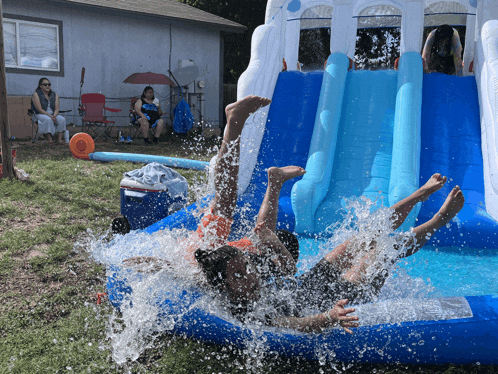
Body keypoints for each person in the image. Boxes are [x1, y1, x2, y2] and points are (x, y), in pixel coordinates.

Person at [31, 78, 67, 146]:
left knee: (62, 119)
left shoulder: (54, 95)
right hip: (39, 114)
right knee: (47, 119)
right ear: (40, 86)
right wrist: (50, 116)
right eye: (45, 84)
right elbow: (39, 109)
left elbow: (57, 108)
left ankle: (59, 140)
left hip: (53, 115)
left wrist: (54, 116)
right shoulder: (36, 94)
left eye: (49, 84)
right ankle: (50, 139)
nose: (48, 86)